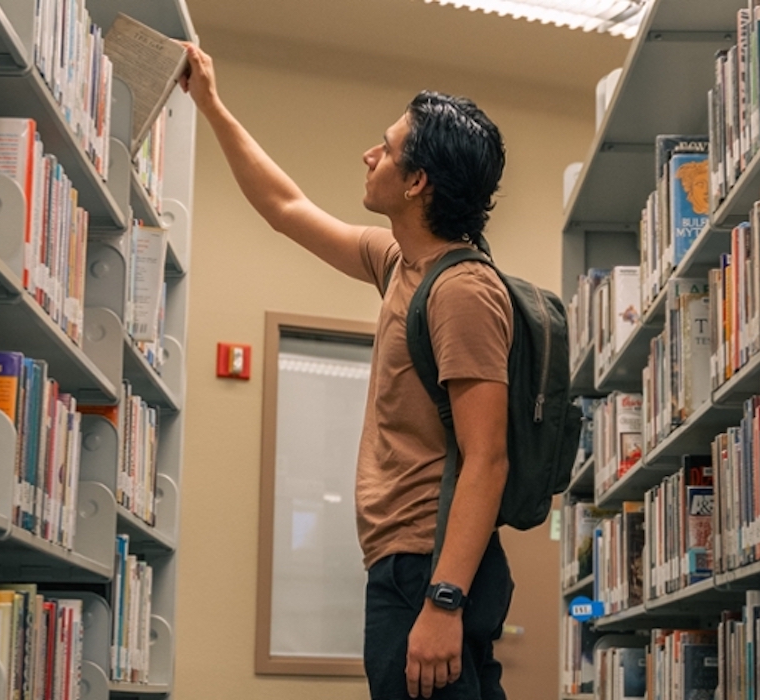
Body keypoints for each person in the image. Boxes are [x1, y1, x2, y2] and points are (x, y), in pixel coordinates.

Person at [178, 44, 515, 700]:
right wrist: (211, 105)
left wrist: (444, 602)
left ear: (418, 181)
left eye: (386, 149)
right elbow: (287, 208)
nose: (370, 156)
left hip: (427, 570)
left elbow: (488, 459)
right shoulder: (401, 264)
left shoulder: (462, 291)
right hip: (404, 567)